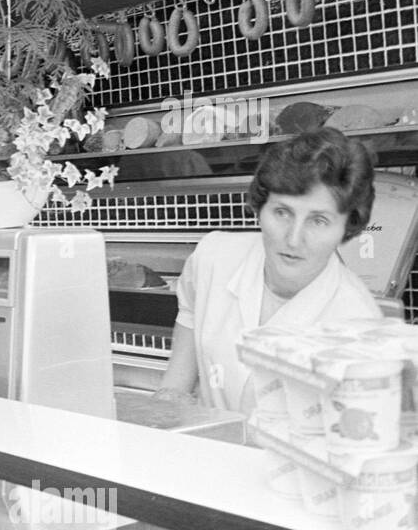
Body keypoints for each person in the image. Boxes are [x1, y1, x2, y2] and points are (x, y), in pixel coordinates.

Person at [156, 128, 380, 412]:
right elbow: (175, 385)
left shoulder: (358, 325)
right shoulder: (213, 258)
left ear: (347, 228)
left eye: (319, 220)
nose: (294, 239)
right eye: (282, 212)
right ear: (260, 207)